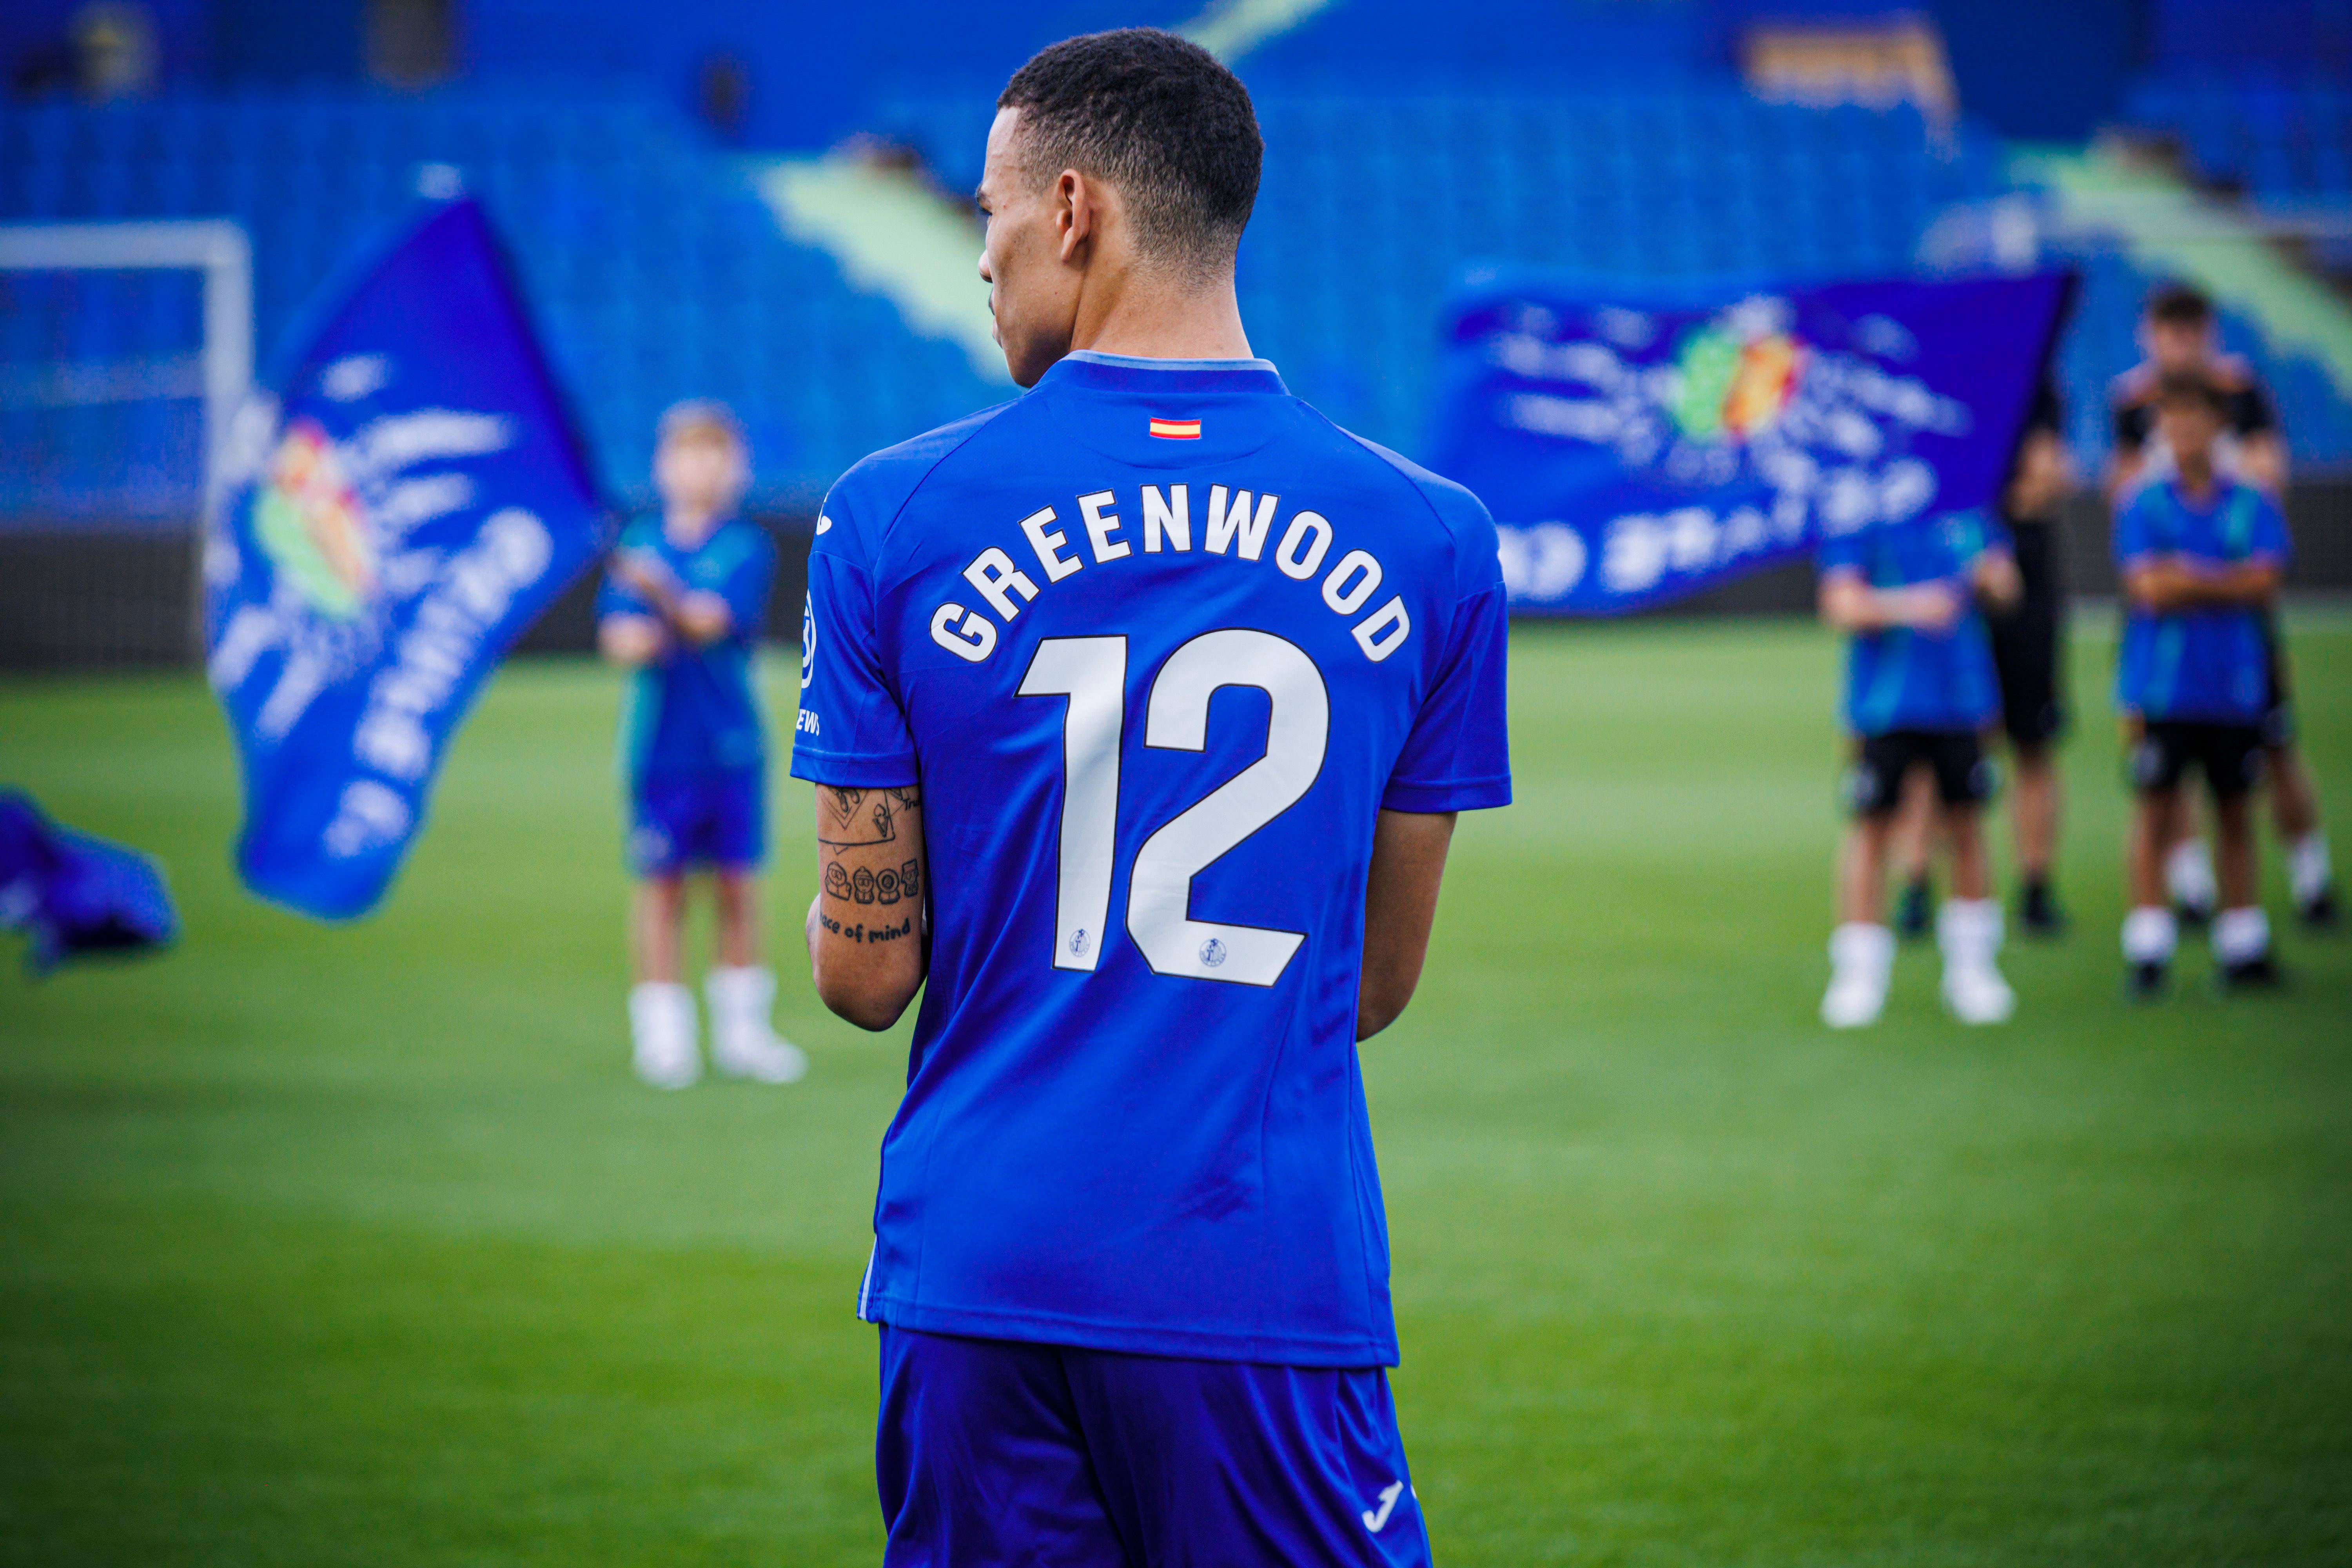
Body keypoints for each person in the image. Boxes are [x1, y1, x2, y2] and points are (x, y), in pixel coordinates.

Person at [791, 30, 1510, 1565]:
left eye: (983, 211)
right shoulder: (1434, 540)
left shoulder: (888, 515)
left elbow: (863, 979)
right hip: (1255, 1275)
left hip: (977, 1264)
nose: (979, 255)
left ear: (1070, 208)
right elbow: (1370, 986)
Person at [2107, 283, 2335, 927]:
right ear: (2149, 336)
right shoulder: (2131, 402)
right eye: (2167, 332)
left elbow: (2268, 482)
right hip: (2166, 638)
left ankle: (2310, 876)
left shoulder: (2241, 391)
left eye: (2190, 332)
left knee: (2274, 751)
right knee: (2161, 776)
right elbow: (2125, 503)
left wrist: (2192, 571)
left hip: (2238, 636)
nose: (2179, 346)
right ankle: (2189, 891)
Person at [597, 401, 806, 1089]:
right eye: (687, 456)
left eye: (714, 456)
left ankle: (744, 1031)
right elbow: (620, 640)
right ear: (662, 467)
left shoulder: (742, 548)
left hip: (732, 746)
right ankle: (663, 1035)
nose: (700, 470)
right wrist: (646, 624)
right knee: (661, 892)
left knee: (738, 888)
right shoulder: (640, 541)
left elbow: (710, 622)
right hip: (659, 750)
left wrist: (656, 594)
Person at [2114, 371, 2290, 995]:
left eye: (2194, 418)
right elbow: (2149, 588)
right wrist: (2225, 580)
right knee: (2156, 814)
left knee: (2237, 813)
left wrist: (2189, 576)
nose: (2183, 431)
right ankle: (2148, 947)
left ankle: (2242, 942)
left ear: (2219, 426)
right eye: (2172, 419)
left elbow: (2265, 581)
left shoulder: (2251, 500)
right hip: (2163, 688)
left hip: (2233, 685)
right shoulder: (2144, 500)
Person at [1817, 508, 2022, 1029]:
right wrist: (1908, 606)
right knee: (1871, 827)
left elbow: (2006, 592)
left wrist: (1992, 580)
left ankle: (1972, 969)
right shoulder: (1863, 507)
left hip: (1962, 698)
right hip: (1886, 704)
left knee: (1967, 825)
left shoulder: (1971, 508)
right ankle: (1859, 972)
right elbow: (1840, 605)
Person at [1890, 378, 2076, 938]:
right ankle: (1917, 883)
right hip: (1942, 571)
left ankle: (2035, 886)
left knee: (2031, 739)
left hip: (2017, 577)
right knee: (1928, 744)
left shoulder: (2030, 374)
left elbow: (2043, 484)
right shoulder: (1930, 374)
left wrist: (1983, 494)